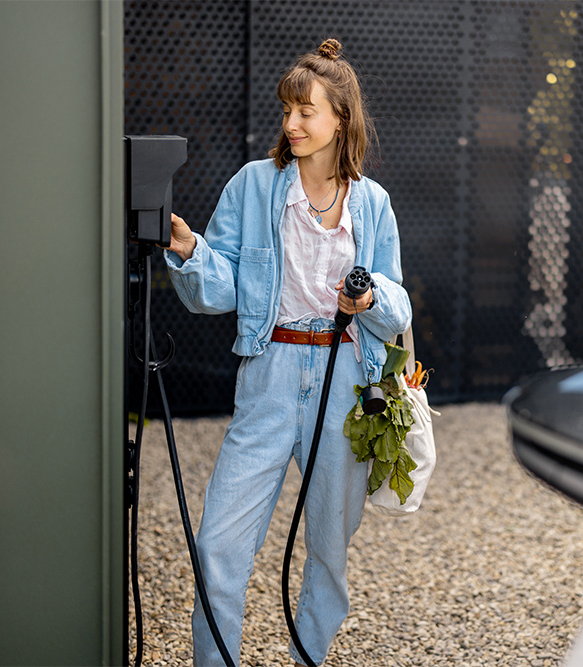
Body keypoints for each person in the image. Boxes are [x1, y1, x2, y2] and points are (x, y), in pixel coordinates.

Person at [163, 38, 411, 666]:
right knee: (220, 543)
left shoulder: (373, 203)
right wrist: (191, 252)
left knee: (328, 555)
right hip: (270, 374)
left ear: (341, 120)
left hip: (346, 376)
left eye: (306, 111)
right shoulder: (254, 185)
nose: (292, 124)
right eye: (287, 111)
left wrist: (370, 299)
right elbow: (217, 288)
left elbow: (399, 305)